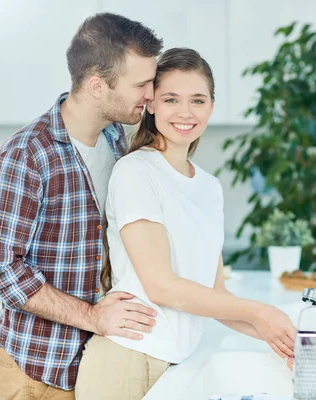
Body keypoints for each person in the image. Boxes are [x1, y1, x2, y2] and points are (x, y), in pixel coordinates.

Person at [75, 48, 297, 400]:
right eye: (171, 99)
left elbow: (216, 296)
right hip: (127, 363)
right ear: (151, 105)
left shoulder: (209, 187)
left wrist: (280, 336)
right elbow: (162, 286)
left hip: (176, 364)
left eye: (197, 100)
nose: (185, 112)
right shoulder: (137, 172)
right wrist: (258, 311)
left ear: (211, 106)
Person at [0, 13, 163, 399]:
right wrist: (93, 317)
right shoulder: (27, 155)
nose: (150, 94)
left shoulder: (115, 139)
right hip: (37, 371)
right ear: (97, 85)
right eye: (141, 84)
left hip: (95, 364)